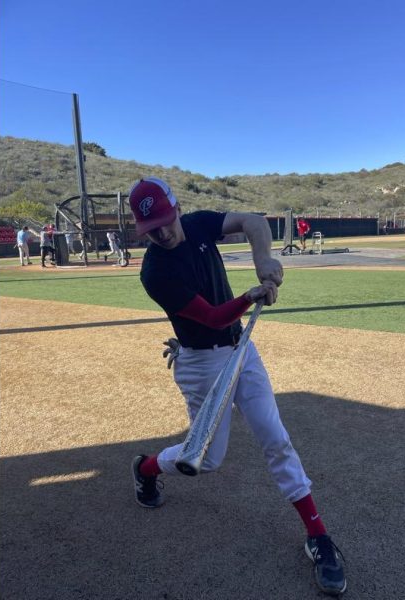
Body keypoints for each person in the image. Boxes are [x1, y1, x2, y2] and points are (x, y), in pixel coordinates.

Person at [128, 177, 347, 596]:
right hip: (201, 363)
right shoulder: (155, 271)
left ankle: (318, 536)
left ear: (177, 209)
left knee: (275, 437)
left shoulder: (199, 223)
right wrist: (252, 295)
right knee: (206, 460)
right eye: (150, 228)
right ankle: (145, 467)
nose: (162, 232)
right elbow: (211, 317)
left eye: (165, 220)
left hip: (240, 349)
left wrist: (263, 259)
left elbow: (251, 220)